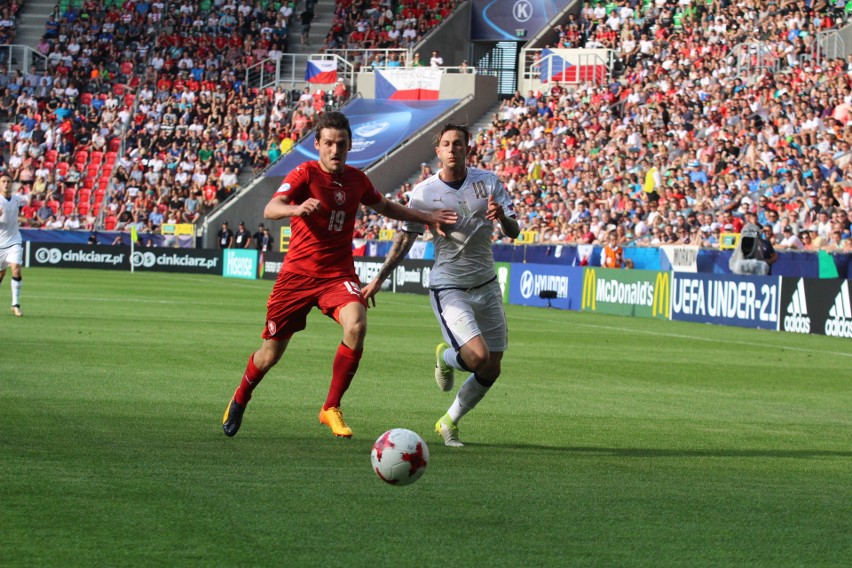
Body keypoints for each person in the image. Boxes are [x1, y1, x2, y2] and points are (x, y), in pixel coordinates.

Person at [222, 112, 457, 439]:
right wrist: (295, 209)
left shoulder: (357, 180)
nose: (335, 150)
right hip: (296, 278)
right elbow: (271, 208)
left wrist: (426, 216)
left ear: (349, 147)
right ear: (317, 144)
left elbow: (387, 207)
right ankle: (240, 397)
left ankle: (330, 407)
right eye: (329, 143)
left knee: (357, 323)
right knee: (270, 354)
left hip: (337, 275)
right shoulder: (304, 173)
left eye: (341, 145)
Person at [362, 123, 520, 447]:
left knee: (493, 367)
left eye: (458, 143)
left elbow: (514, 230)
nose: (452, 149)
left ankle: (449, 421)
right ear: (438, 152)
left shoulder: (488, 182)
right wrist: (379, 279)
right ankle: (446, 357)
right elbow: (406, 238)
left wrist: (502, 217)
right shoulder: (424, 193)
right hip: (449, 286)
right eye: (446, 144)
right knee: (476, 357)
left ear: (467, 148)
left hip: (487, 284)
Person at [0, 173, 24, 316]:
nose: (6, 184)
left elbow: (13, 216)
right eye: (3, 181)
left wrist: (28, 220)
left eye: (8, 181)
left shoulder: (16, 200)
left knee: (16, 269)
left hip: (14, 240)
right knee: (1, 274)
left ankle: (15, 304)